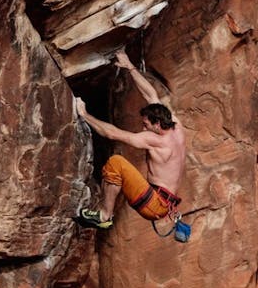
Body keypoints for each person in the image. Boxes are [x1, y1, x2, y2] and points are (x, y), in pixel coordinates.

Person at [75, 51, 186, 229]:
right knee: (119, 166)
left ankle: (104, 216)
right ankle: (104, 214)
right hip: (164, 203)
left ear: (157, 124)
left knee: (116, 163)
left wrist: (84, 115)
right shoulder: (175, 126)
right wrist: (130, 67)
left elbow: (112, 133)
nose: (143, 128)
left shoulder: (156, 140)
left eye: (146, 125)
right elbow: (151, 95)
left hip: (154, 204)